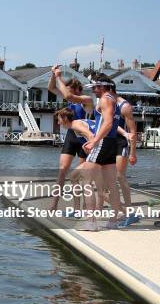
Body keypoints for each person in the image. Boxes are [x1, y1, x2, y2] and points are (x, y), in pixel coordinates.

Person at [79, 74, 125, 230]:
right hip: (111, 142)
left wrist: (94, 141)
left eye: (94, 87)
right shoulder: (114, 100)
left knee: (85, 181)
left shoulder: (105, 99)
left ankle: (91, 222)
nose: (93, 90)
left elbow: (108, 123)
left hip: (103, 142)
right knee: (112, 185)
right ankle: (112, 222)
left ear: (102, 86)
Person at [47, 65, 94, 211]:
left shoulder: (87, 101)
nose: (65, 92)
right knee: (62, 170)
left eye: (68, 89)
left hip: (85, 140)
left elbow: (66, 94)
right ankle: (54, 204)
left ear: (75, 89)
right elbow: (51, 88)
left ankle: (80, 207)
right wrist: (53, 74)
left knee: (80, 176)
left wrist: (59, 77)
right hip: (71, 137)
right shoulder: (71, 100)